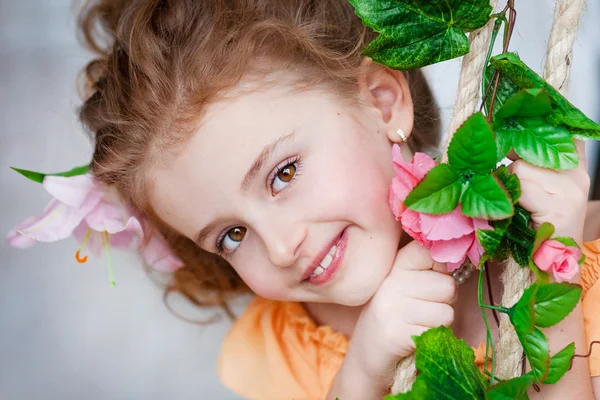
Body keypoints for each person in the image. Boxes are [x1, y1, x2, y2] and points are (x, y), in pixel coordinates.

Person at [10, 0, 600, 398]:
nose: (283, 245)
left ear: (381, 100)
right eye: (231, 236)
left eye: (283, 173)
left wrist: (555, 288)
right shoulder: (285, 357)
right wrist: (363, 372)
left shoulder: (584, 257)